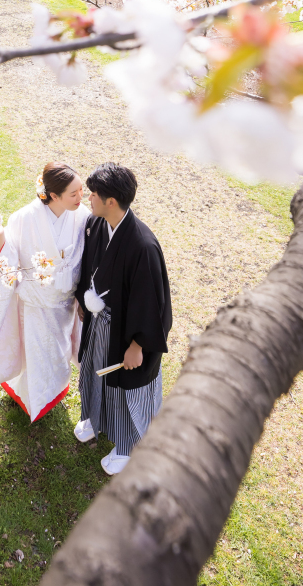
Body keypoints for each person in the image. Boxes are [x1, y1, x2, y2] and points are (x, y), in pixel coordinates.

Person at [0, 162, 90, 422]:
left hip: (65, 303)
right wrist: (0, 238)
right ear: (54, 195)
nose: (82, 196)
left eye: (81, 189)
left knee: (58, 353)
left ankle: (53, 392)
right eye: (74, 193)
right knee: (33, 354)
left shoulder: (82, 216)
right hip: (35, 303)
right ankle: (28, 396)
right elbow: (9, 257)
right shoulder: (24, 218)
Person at [74, 163, 172, 475]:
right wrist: (82, 299)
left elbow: (152, 303)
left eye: (94, 194)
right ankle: (95, 419)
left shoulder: (142, 246)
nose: (89, 198)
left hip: (128, 333)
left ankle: (129, 446)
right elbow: (90, 266)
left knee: (127, 390)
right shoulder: (96, 224)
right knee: (94, 373)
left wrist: (138, 345)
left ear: (111, 201)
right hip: (100, 323)